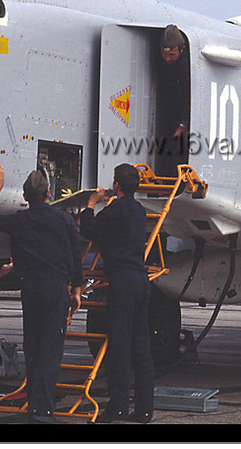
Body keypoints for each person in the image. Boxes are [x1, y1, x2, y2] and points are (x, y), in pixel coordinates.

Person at [0, 165, 83, 424]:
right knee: (51, 349)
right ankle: (43, 411)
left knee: (33, 347)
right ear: (48, 194)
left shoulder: (19, 220)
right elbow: (76, 259)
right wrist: (76, 291)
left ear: (25, 198)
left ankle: (36, 405)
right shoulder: (64, 220)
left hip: (30, 289)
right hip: (56, 288)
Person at [79, 164, 155, 423]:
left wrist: (91, 203)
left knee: (119, 347)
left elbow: (88, 228)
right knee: (142, 348)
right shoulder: (139, 210)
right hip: (141, 281)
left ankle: (118, 406)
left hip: (122, 280)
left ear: (117, 186)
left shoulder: (116, 208)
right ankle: (145, 409)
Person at [155, 24, 190, 177]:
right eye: (164, 54)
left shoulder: (184, 67)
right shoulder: (163, 63)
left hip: (180, 118)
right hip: (167, 115)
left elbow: (188, 98)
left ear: (181, 50)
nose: (167, 58)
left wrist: (183, 123)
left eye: (172, 55)